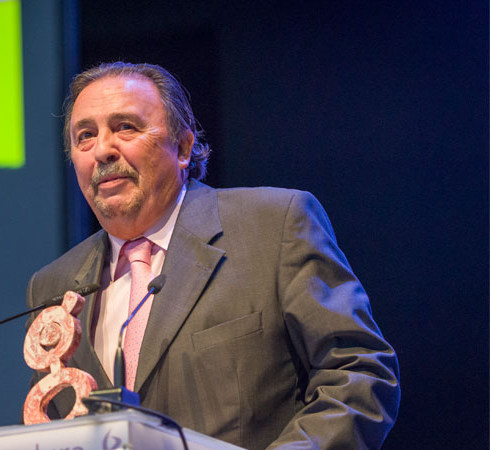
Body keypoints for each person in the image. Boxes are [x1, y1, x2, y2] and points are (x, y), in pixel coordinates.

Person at [26, 62, 400, 449]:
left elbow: (358, 373)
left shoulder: (273, 227)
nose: (102, 150)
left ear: (184, 147)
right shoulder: (53, 286)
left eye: (125, 127)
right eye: (85, 136)